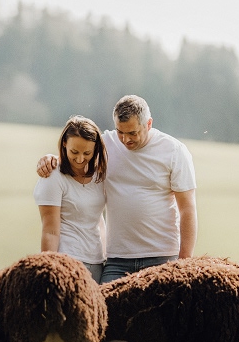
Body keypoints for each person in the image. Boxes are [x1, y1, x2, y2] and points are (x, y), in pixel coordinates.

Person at [37, 95, 197, 283]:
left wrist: (184, 261)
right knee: (102, 302)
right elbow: (78, 155)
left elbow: (187, 208)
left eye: (132, 133)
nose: (125, 139)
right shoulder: (106, 144)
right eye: (120, 131)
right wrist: (51, 159)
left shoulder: (174, 151)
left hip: (162, 256)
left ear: (148, 124)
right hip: (117, 260)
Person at [33, 115, 107, 283]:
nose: (80, 159)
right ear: (65, 143)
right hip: (66, 262)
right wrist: (47, 269)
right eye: (74, 152)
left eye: (87, 153)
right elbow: (50, 230)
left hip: (97, 262)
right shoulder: (53, 176)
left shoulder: (100, 175)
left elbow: (98, 219)